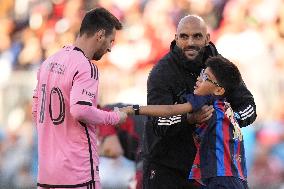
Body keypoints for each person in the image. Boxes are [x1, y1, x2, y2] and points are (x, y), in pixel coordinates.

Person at [141, 15, 257, 189]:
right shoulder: (161, 73)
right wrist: (189, 119)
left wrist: (229, 119)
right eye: (184, 36)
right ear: (176, 38)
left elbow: (249, 106)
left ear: (207, 39)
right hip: (167, 167)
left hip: (211, 172)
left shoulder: (220, 67)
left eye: (197, 36)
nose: (190, 42)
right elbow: (159, 122)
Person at [32, 8, 127, 189]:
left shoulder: (48, 62)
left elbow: (36, 111)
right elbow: (80, 110)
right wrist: (114, 117)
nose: (109, 48)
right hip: (78, 175)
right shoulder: (85, 66)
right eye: (111, 41)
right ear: (100, 35)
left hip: (46, 175)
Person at [121, 55, 249, 188]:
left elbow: (169, 110)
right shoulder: (227, 108)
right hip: (238, 179)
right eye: (201, 74)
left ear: (218, 90)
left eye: (206, 78)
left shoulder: (205, 101)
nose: (199, 80)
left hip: (220, 180)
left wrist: (133, 109)